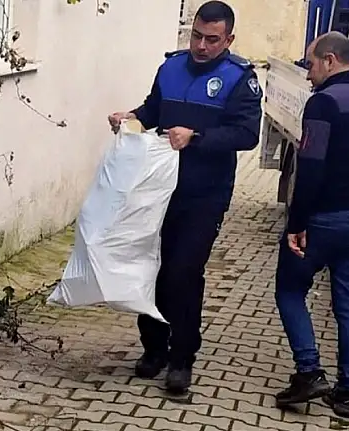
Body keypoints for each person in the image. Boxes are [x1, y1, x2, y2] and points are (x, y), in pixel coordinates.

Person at [107, 0, 262, 394]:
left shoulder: (239, 78)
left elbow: (247, 134)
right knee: (152, 267)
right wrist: (130, 118)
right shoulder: (170, 67)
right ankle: (153, 348)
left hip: (204, 196)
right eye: (196, 36)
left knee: (183, 274)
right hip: (157, 190)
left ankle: (182, 358)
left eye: (212, 39)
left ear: (228, 39)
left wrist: (196, 138)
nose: (201, 46)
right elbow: (153, 110)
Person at [274, 31, 349, 419]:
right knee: (348, 305)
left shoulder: (324, 103)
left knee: (289, 289)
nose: (309, 74)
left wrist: (297, 223)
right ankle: (348, 395)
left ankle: (309, 371)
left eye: (311, 65)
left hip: (325, 220)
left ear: (330, 60)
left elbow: (311, 168)